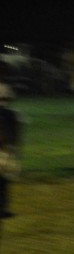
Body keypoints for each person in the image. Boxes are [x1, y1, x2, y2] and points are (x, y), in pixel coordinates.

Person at [0, 82, 21, 219]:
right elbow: (14, 135)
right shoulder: (11, 114)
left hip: (4, 149)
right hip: (4, 149)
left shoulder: (11, 114)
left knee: (4, 181)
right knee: (3, 181)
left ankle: (3, 208)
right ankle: (3, 208)